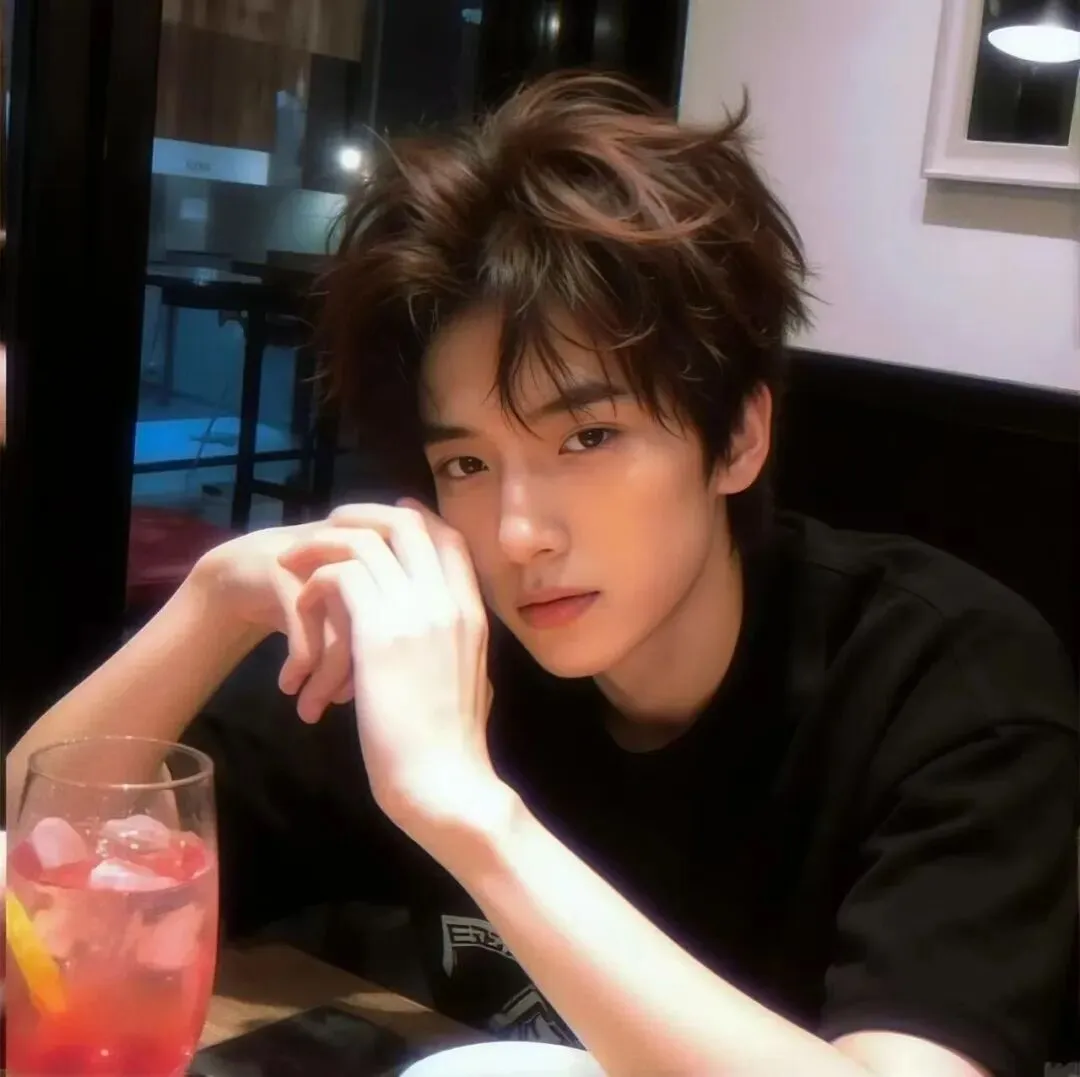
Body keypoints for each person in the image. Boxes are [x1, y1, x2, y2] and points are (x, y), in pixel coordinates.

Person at [7, 74, 1077, 1077]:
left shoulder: (944, 680)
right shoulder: (447, 643)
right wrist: (209, 606)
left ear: (739, 438)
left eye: (589, 437)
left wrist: (468, 813)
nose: (516, 535)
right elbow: (36, 856)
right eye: (467, 464)